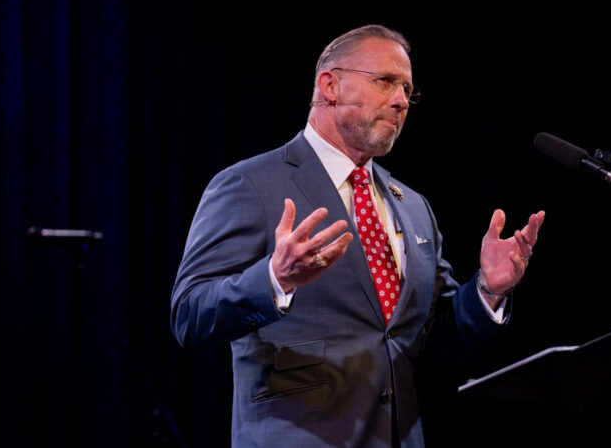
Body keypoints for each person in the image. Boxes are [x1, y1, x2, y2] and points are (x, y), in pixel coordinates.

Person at [170, 24, 546, 448]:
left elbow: (434, 339)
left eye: (408, 89)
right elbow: (190, 315)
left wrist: (488, 290)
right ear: (330, 85)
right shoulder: (250, 184)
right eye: (385, 81)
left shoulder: (413, 206)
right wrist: (274, 279)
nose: (401, 100)